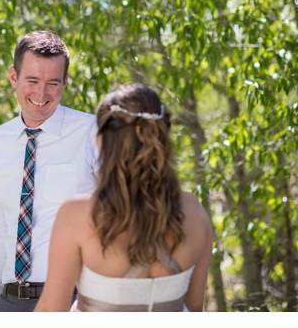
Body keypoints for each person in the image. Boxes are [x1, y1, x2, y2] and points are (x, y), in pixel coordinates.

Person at [34, 83, 213, 312]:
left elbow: (51, 313)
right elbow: (195, 306)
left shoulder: (77, 214)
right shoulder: (194, 211)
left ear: (101, 140)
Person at [0, 31, 100, 312]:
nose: (41, 95)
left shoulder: (93, 133)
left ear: (65, 82)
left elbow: (121, 221)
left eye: (53, 83)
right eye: (32, 81)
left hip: (73, 302)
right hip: (8, 303)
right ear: (13, 77)